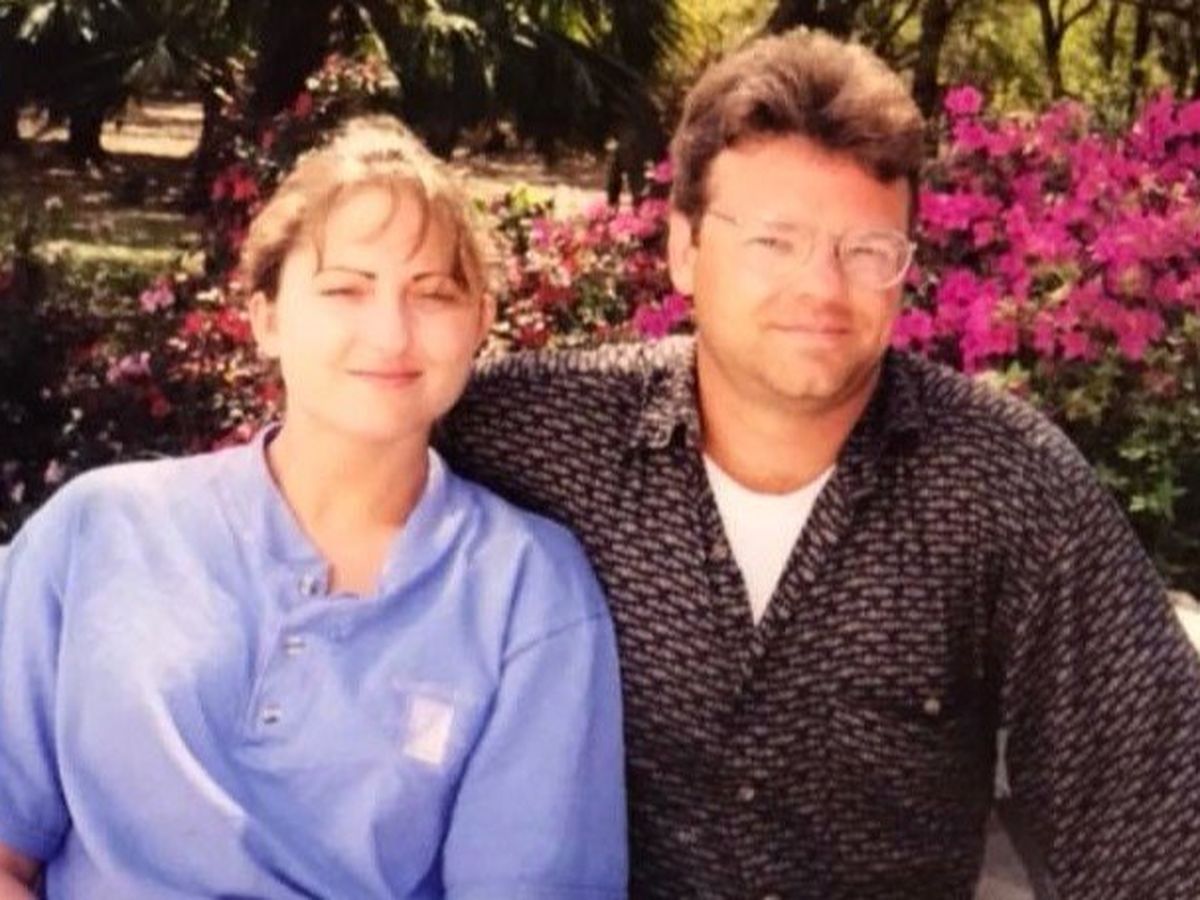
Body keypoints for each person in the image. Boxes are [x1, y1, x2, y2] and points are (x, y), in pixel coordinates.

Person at [439, 30, 1200, 899]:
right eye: (775, 241)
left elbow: (1150, 818)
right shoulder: (542, 432)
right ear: (685, 247)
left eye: (866, 250)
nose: (823, 290)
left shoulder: (1003, 486)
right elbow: (348, 469)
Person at [0, 118, 628, 899]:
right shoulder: (98, 532)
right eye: (345, 289)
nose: (390, 333)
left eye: (433, 294)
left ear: (481, 322)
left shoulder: (526, 594)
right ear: (266, 317)